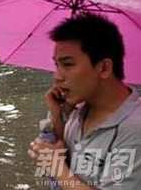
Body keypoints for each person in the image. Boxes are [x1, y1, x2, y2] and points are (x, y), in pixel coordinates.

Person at [28, 12, 141, 189]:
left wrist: (56, 168)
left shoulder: (134, 128)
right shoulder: (78, 110)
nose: (57, 76)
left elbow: (61, 171)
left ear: (104, 67)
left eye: (67, 64)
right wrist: (58, 117)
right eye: (56, 65)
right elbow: (68, 162)